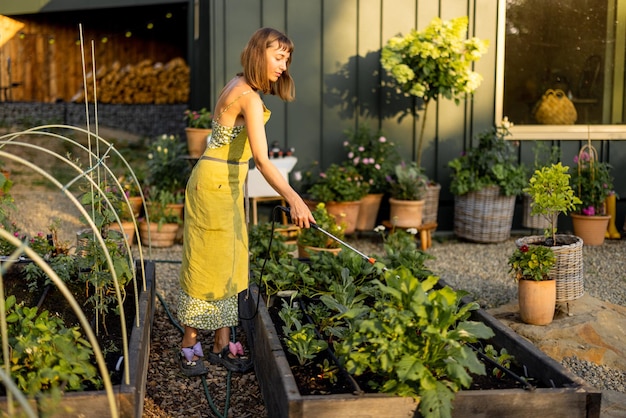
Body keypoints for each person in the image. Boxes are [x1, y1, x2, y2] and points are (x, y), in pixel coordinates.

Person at [177, 27, 315, 376]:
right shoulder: (248, 97)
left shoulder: (240, 83)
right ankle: (188, 343)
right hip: (215, 185)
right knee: (208, 262)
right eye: (278, 57)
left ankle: (222, 342)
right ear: (259, 54)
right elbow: (263, 161)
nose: (284, 66)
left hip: (224, 182)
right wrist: (294, 198)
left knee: (232, 260)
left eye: (287, 59)